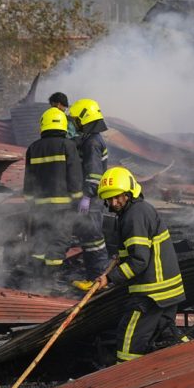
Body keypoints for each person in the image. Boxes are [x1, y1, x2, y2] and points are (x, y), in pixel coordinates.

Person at [95, 166, 185, 363]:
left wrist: (110, 278)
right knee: (165, 337)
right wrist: (120, 257)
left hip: (152, 293)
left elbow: (139, 261)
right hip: (168, 291)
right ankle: (190, 360)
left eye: (118, 197)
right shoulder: (139, 210)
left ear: (129, 193)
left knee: (129, 340)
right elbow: (137, 251)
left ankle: (123, 380)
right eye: (109, 199)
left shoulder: (134, 215)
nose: (113, 203)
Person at [22, 107, 83, 289]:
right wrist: (78, 200)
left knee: (40, 240)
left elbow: (29, 179)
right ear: (63, 125)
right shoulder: (68, 146)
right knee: (59, 241)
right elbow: (74, 176)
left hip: (39, 207)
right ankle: (50, 281)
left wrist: (30, 200)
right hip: (62, 208)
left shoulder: (33, 148)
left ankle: (36, 278)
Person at [67, 98, 111, 280]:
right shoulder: (91, 139)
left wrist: (86, 197)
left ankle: (98, 280)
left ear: (85, 119)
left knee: (93, 241)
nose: (74, 124)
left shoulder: (92, 143)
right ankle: (94, 278)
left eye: (76, 120)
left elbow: (93, 175)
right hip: (92, 200)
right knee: (89, 240)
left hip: (92, 201)